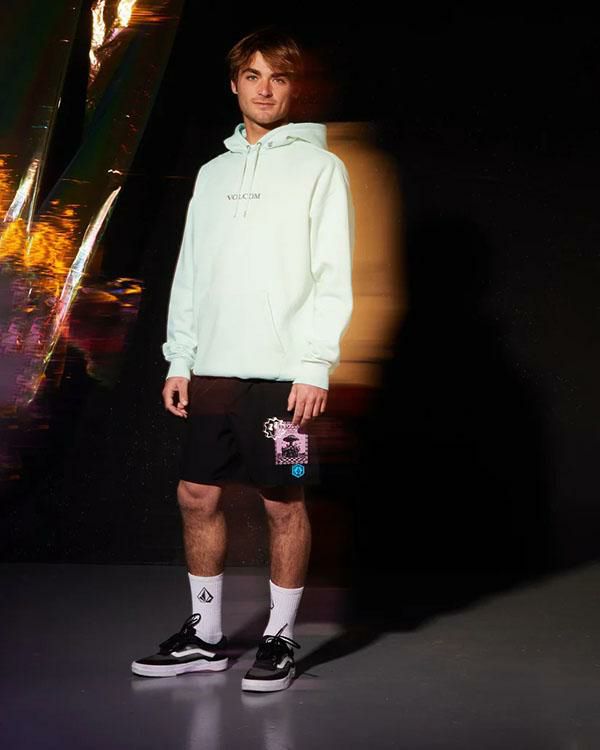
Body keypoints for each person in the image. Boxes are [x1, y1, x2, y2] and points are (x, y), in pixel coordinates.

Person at [131, 25, 355, 692]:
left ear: (292, 88)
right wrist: (180, 358)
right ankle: (204, 638)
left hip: (284, 379)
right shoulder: (213, 173)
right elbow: (192, 271)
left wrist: (314, 365)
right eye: (252, 76)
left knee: (283, 501)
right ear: (234, 84)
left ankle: (279, 639)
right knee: (196, 494)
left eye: (277, 77)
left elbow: (333, 273)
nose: (264, 89)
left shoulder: (321, 168)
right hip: (214, 374)